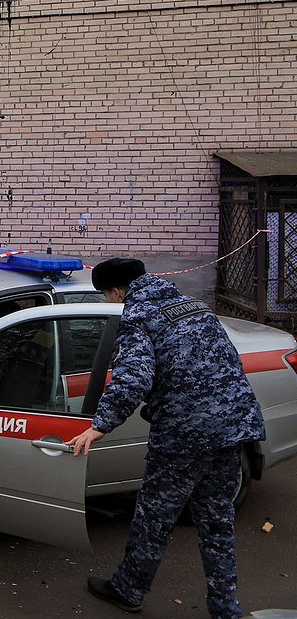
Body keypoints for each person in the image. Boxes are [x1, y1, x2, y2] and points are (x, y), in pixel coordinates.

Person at [66, 258, 264, 617]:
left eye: (109, 296)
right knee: (217, 522)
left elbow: (133, 378)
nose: (113, 303)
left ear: (117, 290)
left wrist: (99, 425)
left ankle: (128, 590)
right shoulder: (195, 307)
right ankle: (225, 608)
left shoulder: (139, 317)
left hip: (184, 437)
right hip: (233, 428)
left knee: (154, 519)